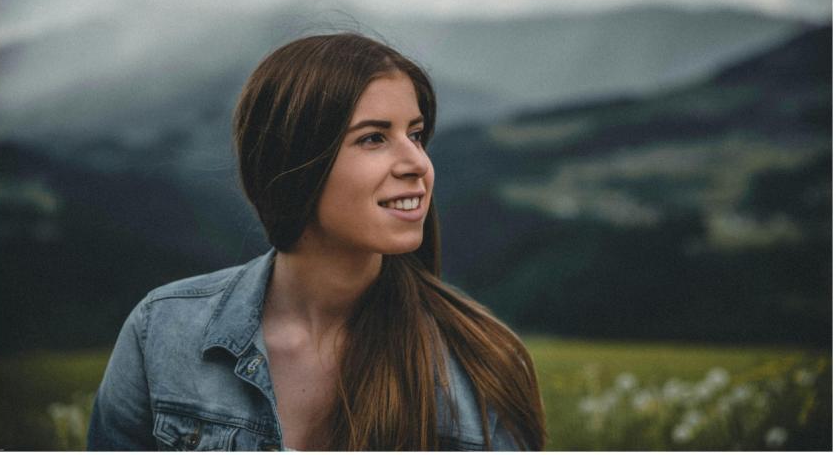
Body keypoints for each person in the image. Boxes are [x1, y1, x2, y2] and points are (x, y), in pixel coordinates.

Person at [87, 33, 547, 451]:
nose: (418, 164)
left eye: (416, 134)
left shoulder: (480, 365)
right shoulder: (164, 332)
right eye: (373, 138)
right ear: (295, 164)